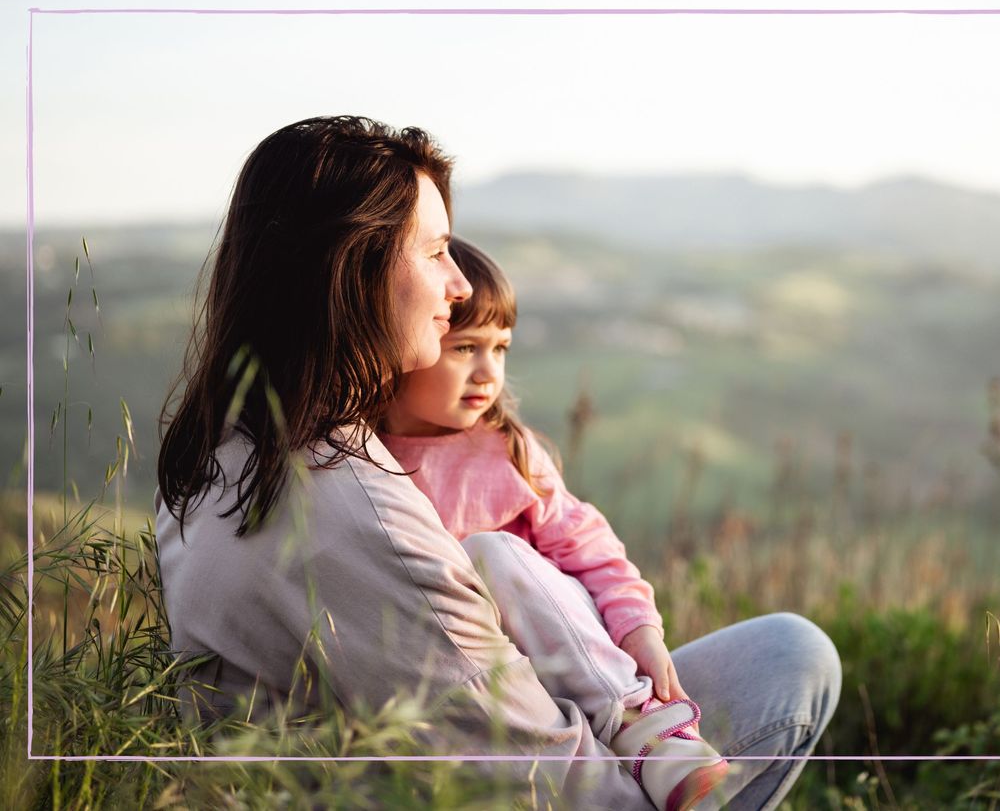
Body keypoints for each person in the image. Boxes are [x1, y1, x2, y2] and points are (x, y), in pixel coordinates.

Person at [155, 115, 841, 810]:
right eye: (434, 253)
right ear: (351, 270)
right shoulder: (362, 514)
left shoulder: (222, 450)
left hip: (438, 744)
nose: (457, 287)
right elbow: (554, 784)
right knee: (793, 656)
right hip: (504, 775)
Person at [379, 238, 729, 810]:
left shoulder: (507, 451)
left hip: (575, 656)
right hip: (483, 685)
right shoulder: (363, 460)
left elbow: (591, 550)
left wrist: (640, 629)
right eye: (464, 348)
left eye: (501, 348)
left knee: (489, 554)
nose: (488, 372)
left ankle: (647, 731)